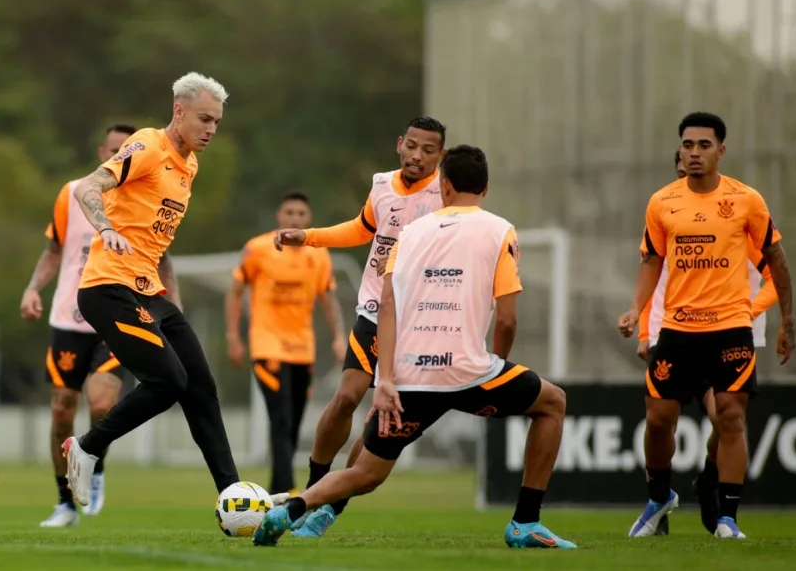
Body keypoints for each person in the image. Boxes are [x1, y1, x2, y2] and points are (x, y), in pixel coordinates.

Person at [253, 145, 575, 549]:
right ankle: (525, 522)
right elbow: (507, 318)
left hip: (411, 374)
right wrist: (499, 364)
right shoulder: (500, 230)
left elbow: (387, 305)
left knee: (366, 474)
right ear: (486, 188)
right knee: (553, 403)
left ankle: (291, 510)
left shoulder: (410, 234)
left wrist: (386, 378)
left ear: (445, 184)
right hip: (468, 371)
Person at [62, 72, 241, 506]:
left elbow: (156, 240)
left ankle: (233, 494)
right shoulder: (146, 145)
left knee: (201, 387)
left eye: (216, 121)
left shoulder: (190, 166)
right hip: (108, 287)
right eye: (203, 119)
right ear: (178, 112)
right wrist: (106, 228)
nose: (211, 129)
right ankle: (87, 447)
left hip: (150, 293)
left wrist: (171, 297)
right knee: (169, 381)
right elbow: (89, 187)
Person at [618, 112, 795, 540]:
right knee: (658, 419)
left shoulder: (747, 200)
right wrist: (636, 310)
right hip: (678, 330)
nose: (694, 153)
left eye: (703, 145)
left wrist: (788, 320)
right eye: (687, 145)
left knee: (731, 418)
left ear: (721, 150)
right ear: (679, 149)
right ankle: (659, 497)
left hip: (731, 327)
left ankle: (727, 518)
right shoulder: (662, 202)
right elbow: (651, 260)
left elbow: (775, 260)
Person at [272, 116, 447, 537]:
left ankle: (331, 507)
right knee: (347, 395)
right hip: (373, 309)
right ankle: (314, 488)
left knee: (379, 421)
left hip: (419, 322)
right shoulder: (382, 185)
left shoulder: (447, 194)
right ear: (399, 144)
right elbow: (361, 229)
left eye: (429, 151)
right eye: (413, 146)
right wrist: (307, 236)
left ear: (440, 156)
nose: (418, 156)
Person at [21, 124, 143, 526]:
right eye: (113, 151)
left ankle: (94, 465)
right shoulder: (72, 192)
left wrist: (169, 305)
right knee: (61, 411)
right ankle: (64, 503)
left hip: (116, 315)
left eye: (125, 153)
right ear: (101, 152)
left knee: (103, 403)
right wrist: (32, 288)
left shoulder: (144, 194)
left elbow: (161, 259)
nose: (118, 159)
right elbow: (54, 250)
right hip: (67, 318)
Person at [225, 191, 347, 496]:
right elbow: (235, 291)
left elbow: (328, 299)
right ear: (279, 216)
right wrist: (232, 337)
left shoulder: (318, 253)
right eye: (289, 213)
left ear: (309, 220)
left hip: (303, 349)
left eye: (301, 214)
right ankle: (290, 488)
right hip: (267, 345)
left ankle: (277, 487)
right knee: (279, 418)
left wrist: (339, 338)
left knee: (292, 423)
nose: (295, 218)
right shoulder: (258, 249)